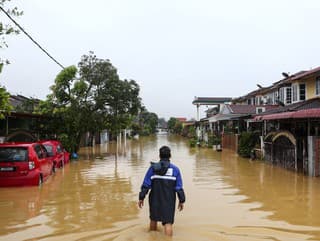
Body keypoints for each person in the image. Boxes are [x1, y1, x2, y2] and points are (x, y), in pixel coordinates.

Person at [138, 145, 186, 236]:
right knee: (168, 223)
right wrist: (182, 200)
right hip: (169, 201)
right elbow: (179, 187)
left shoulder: (152, 169)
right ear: (170, 156)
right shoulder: (175, 170)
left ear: (159, 156)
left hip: (154, 200)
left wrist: (141, 198)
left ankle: (152, 238)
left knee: (153, 219)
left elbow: (146, 184)